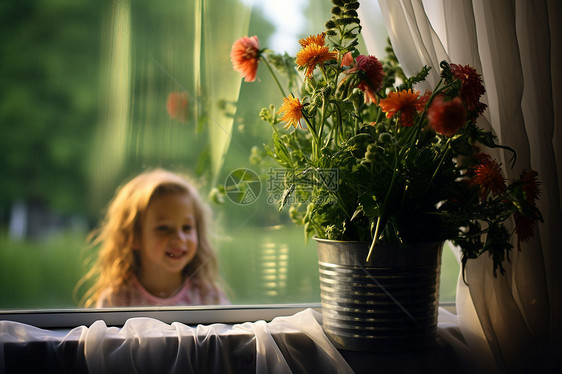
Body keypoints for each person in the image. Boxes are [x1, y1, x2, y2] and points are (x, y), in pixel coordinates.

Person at [78, 168, 229, 307]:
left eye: (187, 227)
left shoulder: (207, 297)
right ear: (134, 237)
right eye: (164, 228)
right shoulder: (118, 299)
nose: (180, 238)